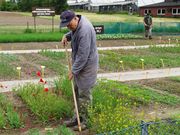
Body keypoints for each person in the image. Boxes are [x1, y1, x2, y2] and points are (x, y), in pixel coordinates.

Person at [60, 10, 98, 130]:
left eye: (69, 24)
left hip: (87, 66)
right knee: (76, 91)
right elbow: (74, 32)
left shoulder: (85, 30)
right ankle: (77, 118)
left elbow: (83, 55)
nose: (68, 27)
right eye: (66, 25)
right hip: (80, 64)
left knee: (84, 94)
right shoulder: (77, 25)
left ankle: (86, 121)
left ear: (75, 18)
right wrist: (67, 35)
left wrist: (73, 71)